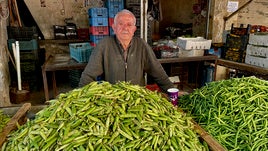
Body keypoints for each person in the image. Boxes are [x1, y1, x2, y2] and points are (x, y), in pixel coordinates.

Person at [79, 9, 174, 93]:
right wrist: (80, 96)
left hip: (137, 98)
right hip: (112, 99)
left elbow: (158, 73)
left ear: (134, 29)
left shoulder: (141, 45)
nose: (125, 28)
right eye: (121, 24)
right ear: (114, 28)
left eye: (129, 25)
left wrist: (172, 91)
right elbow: (88, 75)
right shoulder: (104, 45)